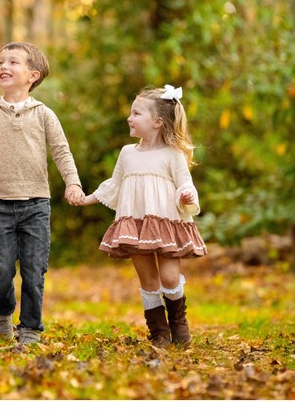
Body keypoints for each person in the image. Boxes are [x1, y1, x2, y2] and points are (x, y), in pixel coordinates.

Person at [76, 85, 206, 347]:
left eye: (136, 113)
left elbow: (185, 182)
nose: (129, 118)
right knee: (148, 279)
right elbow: (114, 184)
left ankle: (178, 323)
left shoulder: (173, 155)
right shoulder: (127, 153)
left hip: (166, 224)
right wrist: (87, 198)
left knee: (169, 277)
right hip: (135, 225)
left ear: (157, 122)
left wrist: (187, 195)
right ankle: (159, 332)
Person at [0, 42, 83, 345]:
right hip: (0, 203)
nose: (3, 66)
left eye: (13, 62)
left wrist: (72, 182)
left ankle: (31, 328)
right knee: (1, 267)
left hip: (37, 203)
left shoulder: (43, 114)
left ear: (32, 75)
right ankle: (1, 312)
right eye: (0, 62)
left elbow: (61, 151)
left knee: (35, 271)